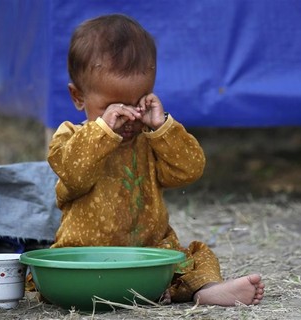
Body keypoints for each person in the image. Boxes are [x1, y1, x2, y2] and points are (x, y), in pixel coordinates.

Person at [47, 13, 264, 306]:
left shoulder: (149, 140)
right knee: (57, 275)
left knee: (197, 256)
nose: (128, 117)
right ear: (78, 97)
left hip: (149, 253)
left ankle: (206, 290)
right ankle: (145, 292)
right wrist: (102, 132)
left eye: (138, 103)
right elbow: (74, 173)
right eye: (112, 106)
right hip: (88, 257)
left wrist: (162, 128)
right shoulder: (69, 138)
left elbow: (190, 169)